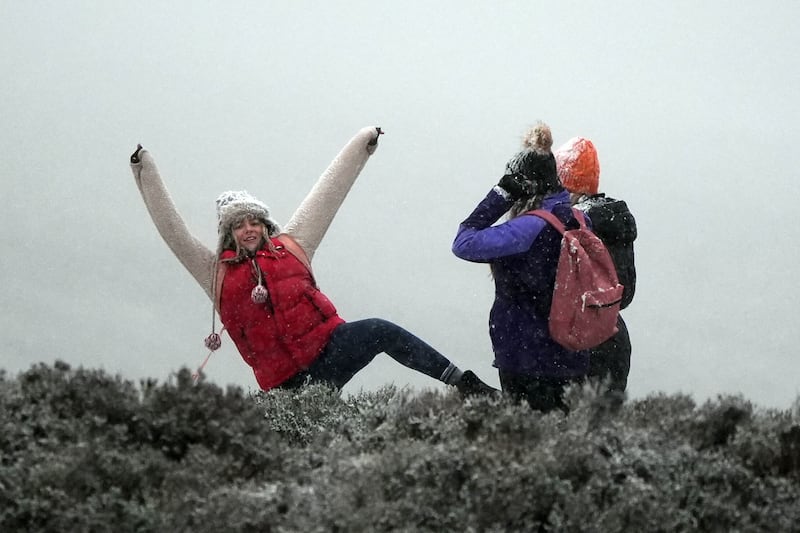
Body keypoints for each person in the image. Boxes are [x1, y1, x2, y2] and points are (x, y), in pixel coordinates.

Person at [129, 126, 495, 396]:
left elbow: (328, 193)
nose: (249, 229)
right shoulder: (215, 274)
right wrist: (144, 171)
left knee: (380, 330)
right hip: (283, 384)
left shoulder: (294, 245)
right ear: (229, 234)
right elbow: (173, 232)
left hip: (328, 350)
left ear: (265, 224)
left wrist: (363, 144)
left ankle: (464, 383)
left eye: (254, 221)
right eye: (239, 225)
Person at [452, 122, 588, 412]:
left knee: (529, 442)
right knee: (568, 438)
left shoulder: (525, 231)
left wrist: (500, 195)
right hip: (573, 352)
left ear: (523, 186)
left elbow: (463, 242)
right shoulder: (578, 219)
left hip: (527, 357)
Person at [554, 137, 637, 408]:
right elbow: (626, 295)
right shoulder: (617, 222)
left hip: (580, 343)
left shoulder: (571, 228)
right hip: (614, 340)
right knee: (603, 436)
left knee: (568, 435)